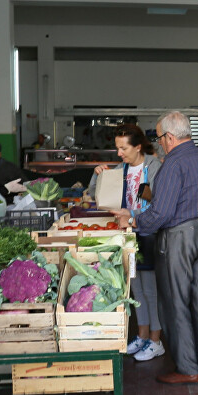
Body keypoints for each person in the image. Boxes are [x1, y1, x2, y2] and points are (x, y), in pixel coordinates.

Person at [112, 111, 198, 385]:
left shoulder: (172, 165)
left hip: (180, 238)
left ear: (170, 137)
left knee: (176, 303)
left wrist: (133, 219)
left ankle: (188, 368)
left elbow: (161, 213)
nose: (160, 143)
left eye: (160, 137)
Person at [87, 125, 164, 361]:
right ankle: (141, 334)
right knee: (135, 287)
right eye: (117, 148)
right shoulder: (120, 169)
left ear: (138, 146)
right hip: (127, 234)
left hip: (149, 233)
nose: (119, 153)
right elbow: (93, 195)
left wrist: (134, 208)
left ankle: (156, 340)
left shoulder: (154, 167)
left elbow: (160, 201)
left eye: (124, 148)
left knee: (151, 289)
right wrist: (98, 173)